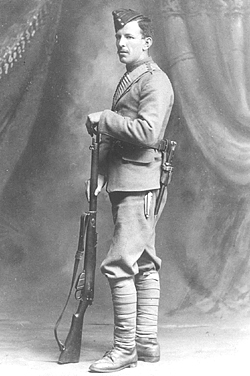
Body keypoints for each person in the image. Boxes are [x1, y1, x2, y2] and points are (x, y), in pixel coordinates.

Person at [85, 8, 174, 373]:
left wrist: (104, 118)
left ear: (146, 43)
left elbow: (148, 133)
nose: (120, 42)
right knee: (145, 263)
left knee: (120, 264)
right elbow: (122, 131)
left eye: (129, 37)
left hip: (141, 185)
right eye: (119, 37)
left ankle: (125, 350)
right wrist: (102, 172)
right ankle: (147, 344)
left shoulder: (155, 81)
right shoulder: (133, 77)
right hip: (128, 181)